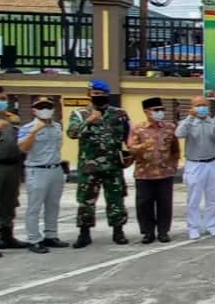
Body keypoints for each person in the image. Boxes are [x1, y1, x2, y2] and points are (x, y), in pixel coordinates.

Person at [67, 80, 131, 248]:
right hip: (89, 167)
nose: (99, 97)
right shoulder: (80, 114)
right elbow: (72, 134)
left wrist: (131, 153)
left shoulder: (119, 114)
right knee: (86, 201)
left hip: (113, 166)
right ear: (89, 94)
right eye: (95, 94)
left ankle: (118, 231)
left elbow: (127, 137)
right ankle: (84, 233)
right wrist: (89, 121)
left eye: (102, 94)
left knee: (116, 200)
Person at [16, 96, 67, 253]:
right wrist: (34, 132)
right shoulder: (27, 127)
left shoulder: (57, 127)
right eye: (41, 106)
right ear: (34, 110)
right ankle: (34, 239)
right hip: (36, 170)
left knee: (53, 205)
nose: (45, 109)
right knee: (34, 207)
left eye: (48, 106)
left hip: (56, 169)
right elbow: (23, 148)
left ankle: (51, 235)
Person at [128, 97, 180, 244]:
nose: (160, 112)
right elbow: (130, 149)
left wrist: (174, 164)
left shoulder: (170, 127)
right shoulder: (138, 129)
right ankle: (148, 232)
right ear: (146, 112)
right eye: (156, 110)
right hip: (144, 173)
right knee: (144, 204)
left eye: (161, 110)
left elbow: (175, 149)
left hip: (165, 173)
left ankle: (163, 232)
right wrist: (142, 146)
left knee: (165, 203)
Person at [175, 95, 215, 240]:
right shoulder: (187, 122)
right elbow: (179, 134)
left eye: (204, 105)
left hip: (212, 163)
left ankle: (211, 224)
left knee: (213, 197)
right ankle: (193, 227)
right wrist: (190, 118)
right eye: (198, 105)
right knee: (194, 198)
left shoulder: (213, 122)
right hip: (195, 164)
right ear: (192, 107)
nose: (202, 108)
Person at [0, 89, 27, 252]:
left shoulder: (12, 119)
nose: (3, 102)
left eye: (4, 99)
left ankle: (7, 235)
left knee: (9, 203)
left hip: (13, 166)